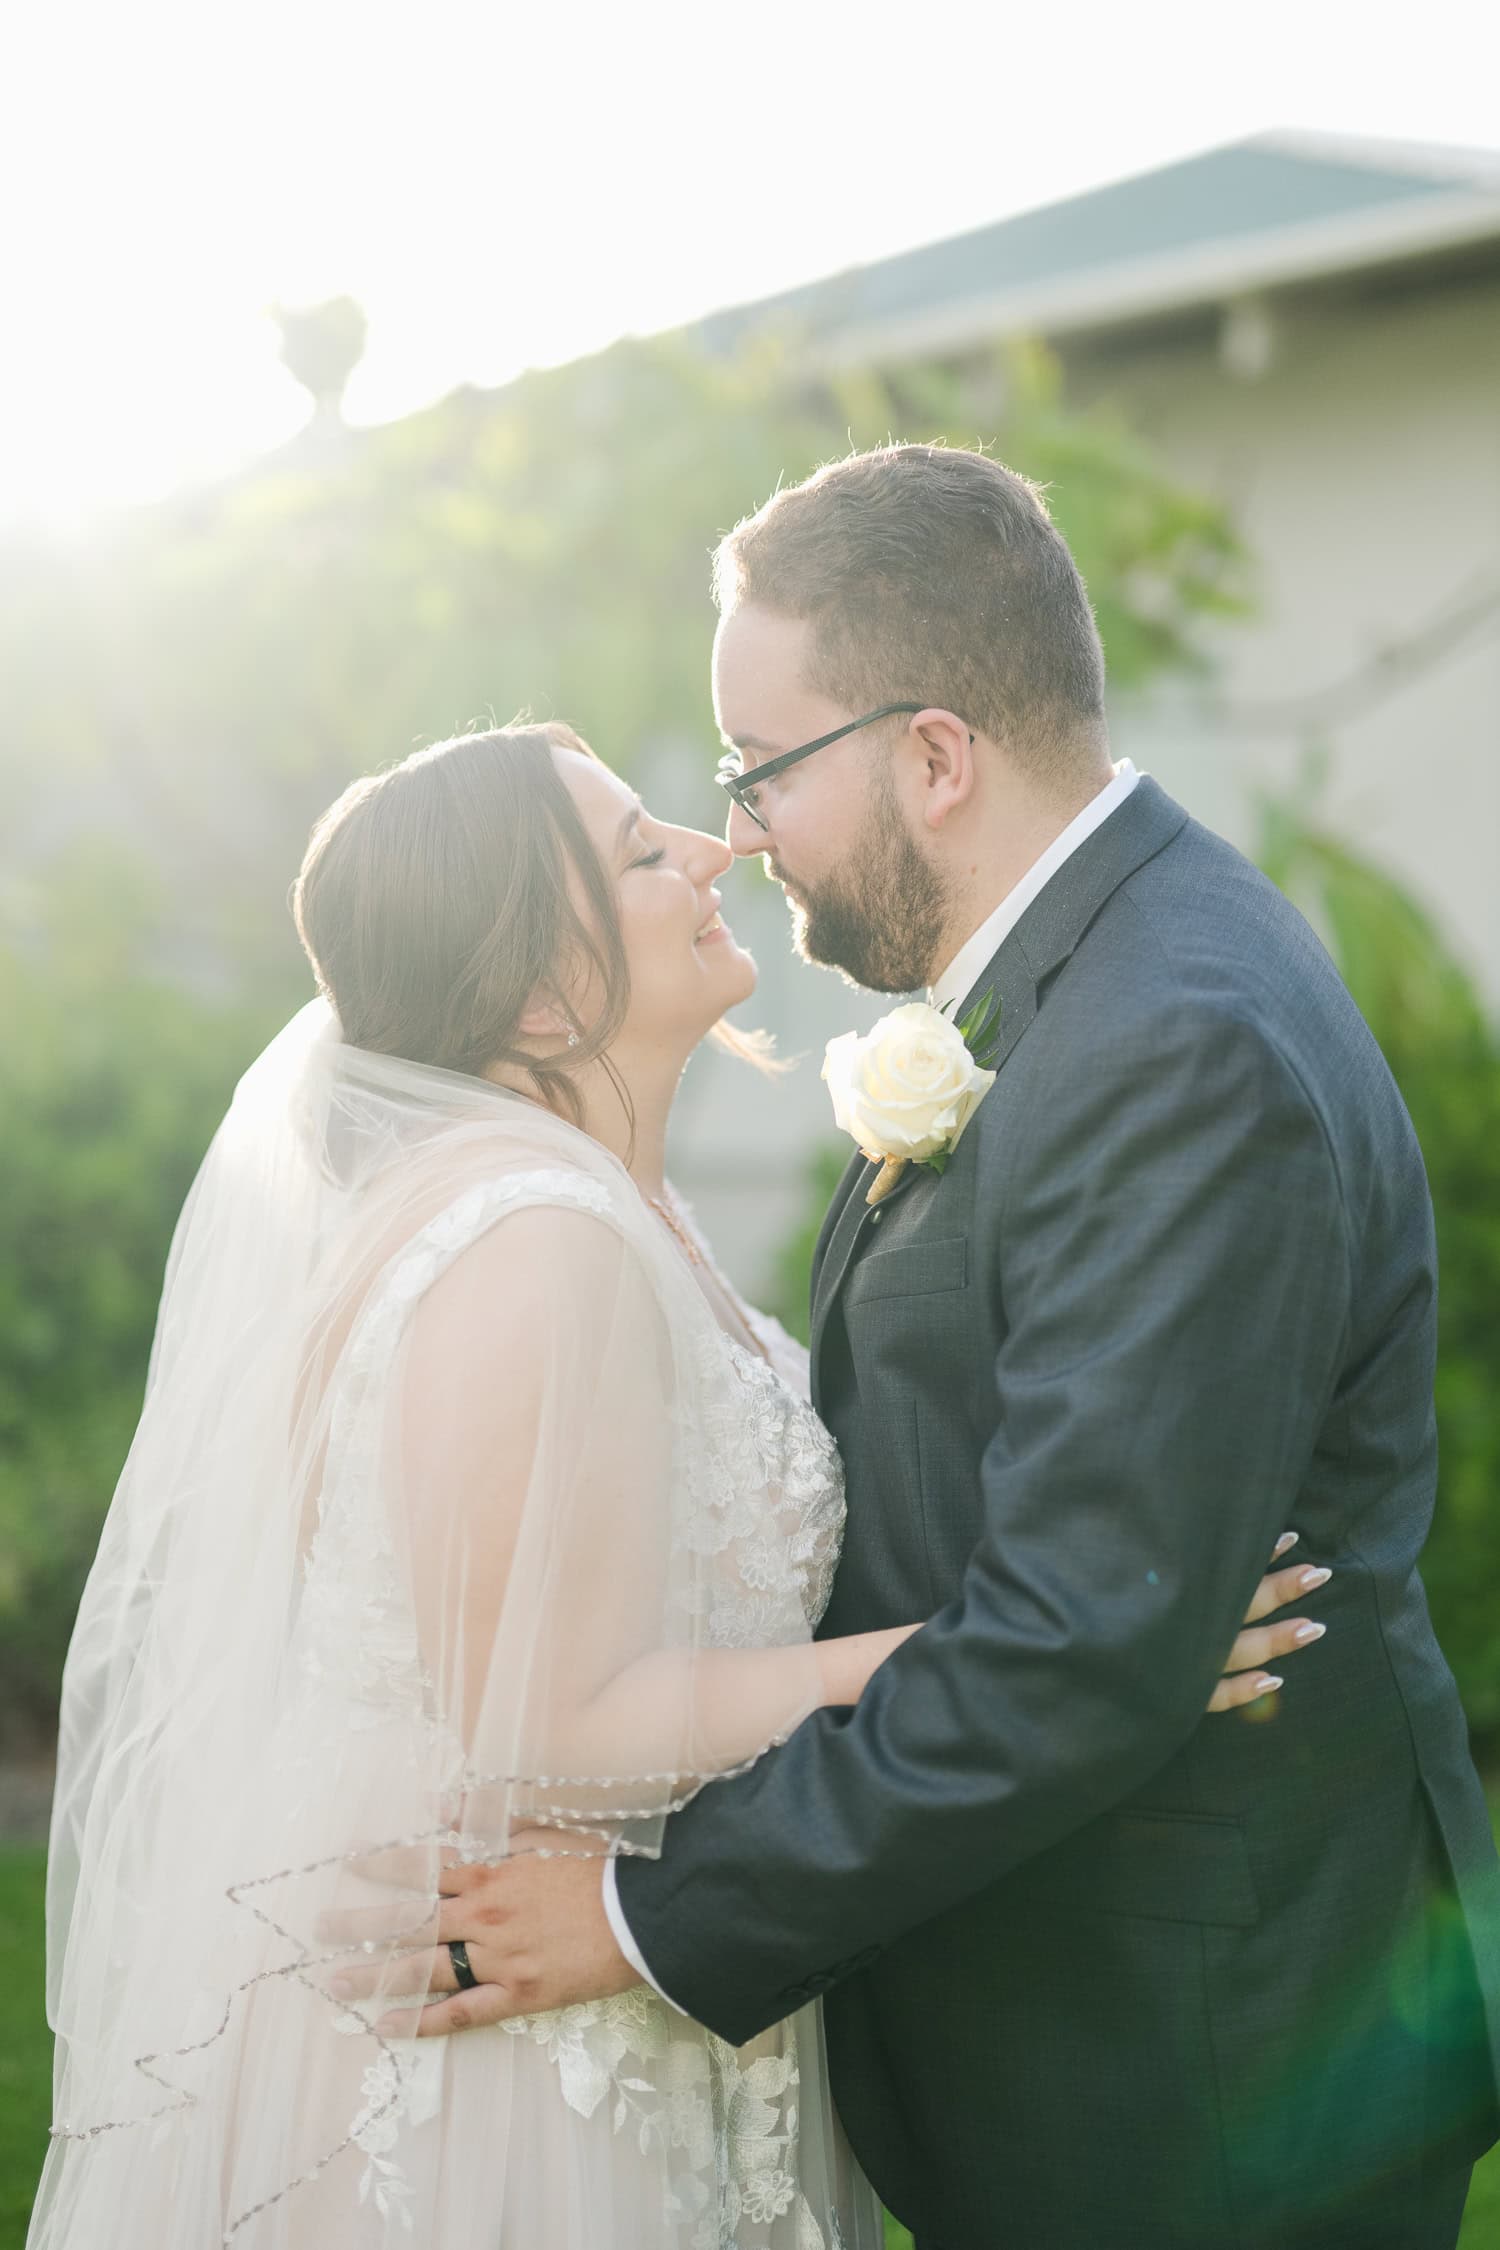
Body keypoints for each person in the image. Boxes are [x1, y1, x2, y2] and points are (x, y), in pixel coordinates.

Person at [397, 449, 1500, 2250]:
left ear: (932, 754)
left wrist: (638, 1913)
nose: (739, 832)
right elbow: (1055, 1582)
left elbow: (1079, 1643)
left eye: (762, 769)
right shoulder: (1082, 986)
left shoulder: (1173, 1039)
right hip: (1102, 2024)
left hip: (1210, 2070)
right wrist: (1070, 1634)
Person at [32, 720, 1314, 2250]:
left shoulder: (615, 1215)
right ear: (535, 987)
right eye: (644, 851)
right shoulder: (528, 1244)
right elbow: (550, 1730)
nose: (717, 850)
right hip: (512, 2074)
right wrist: (1045, 1651)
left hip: (639, 1994)